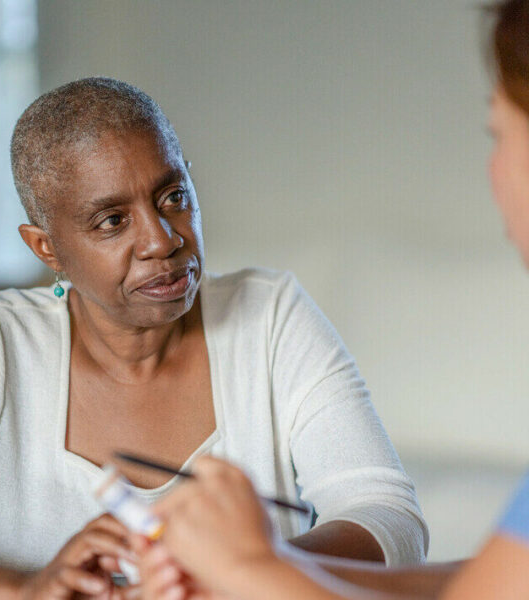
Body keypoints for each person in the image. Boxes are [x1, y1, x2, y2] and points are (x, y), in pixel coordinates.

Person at [0, 77, 428, 598]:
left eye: (173, 197)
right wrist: (27, 590)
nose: (162, 240)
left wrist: (242, 571)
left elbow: (390, 518)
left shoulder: (270, 316)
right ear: (47, 249)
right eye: (112, 221)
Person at [134, 1, 529, 599]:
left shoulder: (271, 310)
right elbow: (489, 587)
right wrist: (258, 565)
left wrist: (249, 570)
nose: (492, 169)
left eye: (498, 134)